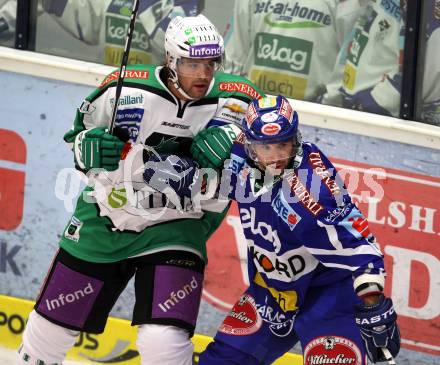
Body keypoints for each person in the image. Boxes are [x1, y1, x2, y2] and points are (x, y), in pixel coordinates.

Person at [17, 14, 263, 365]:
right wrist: (87, 148)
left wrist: (241, 142)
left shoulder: (241, 100)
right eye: (192, 63)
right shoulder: (124, 89)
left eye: (211, 63)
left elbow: (282, 147)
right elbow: (79, 137)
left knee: (163, 342)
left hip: (178, 226)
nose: (204, 73)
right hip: (107, 216)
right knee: (48, 335)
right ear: (170, 60)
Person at [144, 95, 401, 364]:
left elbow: (359, 243)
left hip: (329, 296)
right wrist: (176, 174)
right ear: (250, 143)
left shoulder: (313, 191)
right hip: (270, 293)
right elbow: (218, 179)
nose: (276, 156)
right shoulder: (239, 153)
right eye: (266, 147)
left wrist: (372, 302)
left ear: (296, 139)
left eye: (283, 144)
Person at [223, 0, 366, 101]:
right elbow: (233, 57)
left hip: (317, 115)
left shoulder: (349, 4)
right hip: (255, 107)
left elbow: (349, 63)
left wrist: (327, 105)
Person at [41, 0, 203, 66]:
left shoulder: (185, 3)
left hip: (156, 94)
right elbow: (89, 20)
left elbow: (182, 46)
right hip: (107, 82)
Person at [321, 0, 405, 117]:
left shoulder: (412, 9)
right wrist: (332, 97)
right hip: (348, 106)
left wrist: (371, 104)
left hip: (374, 119)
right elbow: (352, 51)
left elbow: (415, 72)